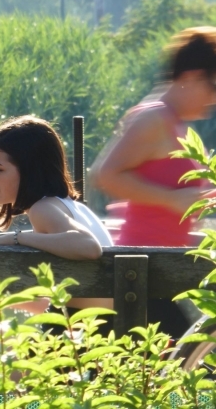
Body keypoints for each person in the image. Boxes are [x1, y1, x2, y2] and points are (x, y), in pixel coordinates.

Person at [0, 115, 113, 379]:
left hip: (81, 347)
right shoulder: (71, 206)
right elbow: (66, 301)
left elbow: (89, 247)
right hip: (80, 333)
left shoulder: (43, 208)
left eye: (0, 169)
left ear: (29, 170)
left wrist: (16, 238)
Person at [90, 26, 216, 339]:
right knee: (187, 379)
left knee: (184, 373)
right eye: (213, 86)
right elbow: (105, 175)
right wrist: (171, 200)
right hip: (139, 273)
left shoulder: (176, 125)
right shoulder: (154, 119)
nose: (214, 99)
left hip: (160, 271)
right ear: (191, 76)